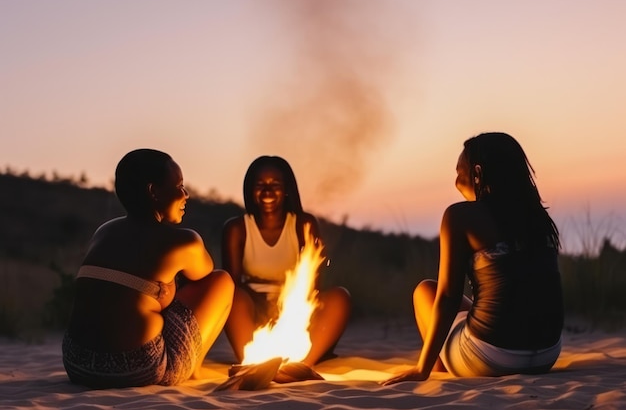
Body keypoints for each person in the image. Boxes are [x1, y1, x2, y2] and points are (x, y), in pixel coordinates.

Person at [383, 132, 564, 385]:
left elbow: (448, 297)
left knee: (426, 291)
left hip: (491, 357)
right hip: (547, 354)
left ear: (477, 173)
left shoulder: (461, 216)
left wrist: (420, 370)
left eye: (459, 173)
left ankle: (434, 368)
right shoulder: (539, 220)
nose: (456, 182)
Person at [62, 149, 234, 388]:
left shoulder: (104, 232)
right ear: (154, 191)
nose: (186, 195)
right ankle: (192, 368)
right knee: (222, 281)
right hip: (136, 367)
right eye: (179, 185)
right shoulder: (185, 241)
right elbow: (204, 274)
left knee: (152, 291)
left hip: (76, 364)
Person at [221, 155, 351, 380]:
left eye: (275, 185)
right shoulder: (237, 228)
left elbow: (312, 288)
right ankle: (253, 362)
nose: (268, 192)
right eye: (260, 185)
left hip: (294, 311)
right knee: (232, 295)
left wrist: (287, 311)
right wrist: (266, 310)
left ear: (287, 190)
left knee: (340, 297)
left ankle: (300, 366)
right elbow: (231, 286)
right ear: (250, 190)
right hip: (254, 312)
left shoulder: (304, 224)